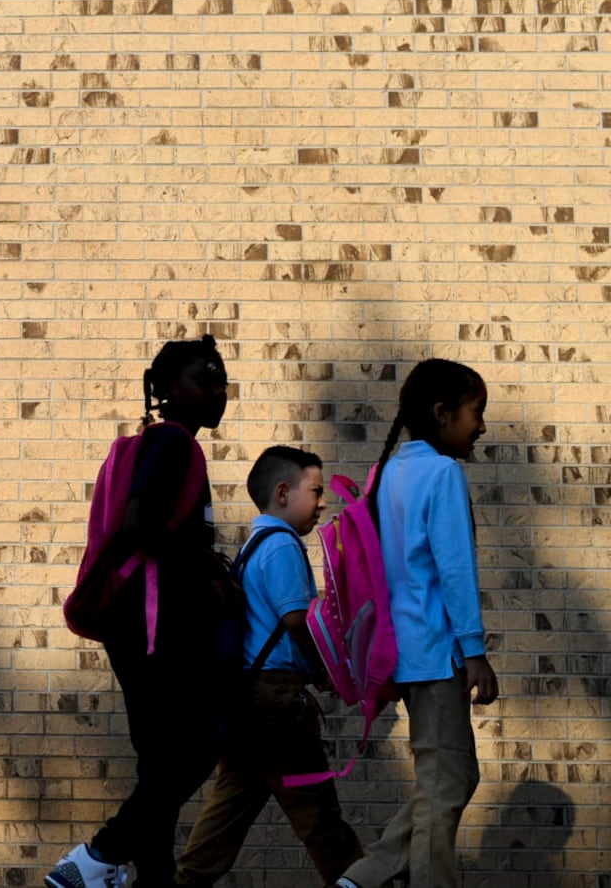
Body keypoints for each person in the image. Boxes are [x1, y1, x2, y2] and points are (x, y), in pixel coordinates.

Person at [47, 335, 231, 888]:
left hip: (133, 616)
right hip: (151, 619)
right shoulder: (174, 442)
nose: (218, 387)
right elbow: (140, 525)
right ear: (168, 390)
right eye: (205, 376)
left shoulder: (163, 442)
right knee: (199, 746)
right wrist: (210, 564)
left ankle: (150, 879)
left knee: (159, 761)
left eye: (222, 376)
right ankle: (95, 858)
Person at [336, 359, 498, 888]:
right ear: (442, 413)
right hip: (434, 651)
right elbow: (454, 567)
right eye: (476, 412)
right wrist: (474, 651)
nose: (480, 425)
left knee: (447, 776)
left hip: (402, 652)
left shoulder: (391, 471)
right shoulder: (443, 471)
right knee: (447, 785)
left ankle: (366, 875)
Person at [174, 446, 362, 886]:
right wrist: (330, 669)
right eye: (315, 491)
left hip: (248, 699)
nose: (322, 502)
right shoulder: (281, 545)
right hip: (276, 703)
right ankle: (363, 881)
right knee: (322, 824)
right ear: (282, 492)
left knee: (225, 817)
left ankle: (186, 882)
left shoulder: (253, 546)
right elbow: (298, 620)